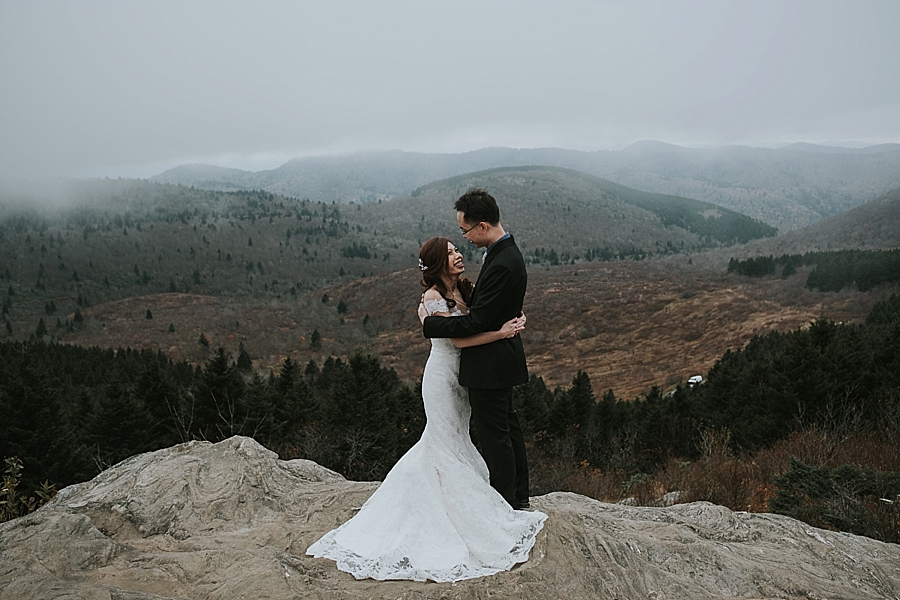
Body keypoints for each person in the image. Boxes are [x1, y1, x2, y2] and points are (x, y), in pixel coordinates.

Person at [306, 236, 546, 583]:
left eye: (457, 249)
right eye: (449, 253)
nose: (458, 254)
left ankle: (465, 502)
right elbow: (460, 339)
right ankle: (440, 512)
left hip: (465, 377)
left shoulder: (465, 288)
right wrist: (502, 333)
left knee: (458, 441)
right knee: (442, 442)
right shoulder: (432, 298)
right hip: (442, 379)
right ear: (436, 263)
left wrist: (512, 317)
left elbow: (485, 313)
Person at [419, 188, 531, 510]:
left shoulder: (502, 262)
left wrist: (432, 326)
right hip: (492, 363)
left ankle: (507, 504)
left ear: (482, 226)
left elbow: (476, 321)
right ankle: (517, 498)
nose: (464, 239)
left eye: (465, 231)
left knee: (498, 438)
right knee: (506, 431)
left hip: (489, 367)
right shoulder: (502, 254)